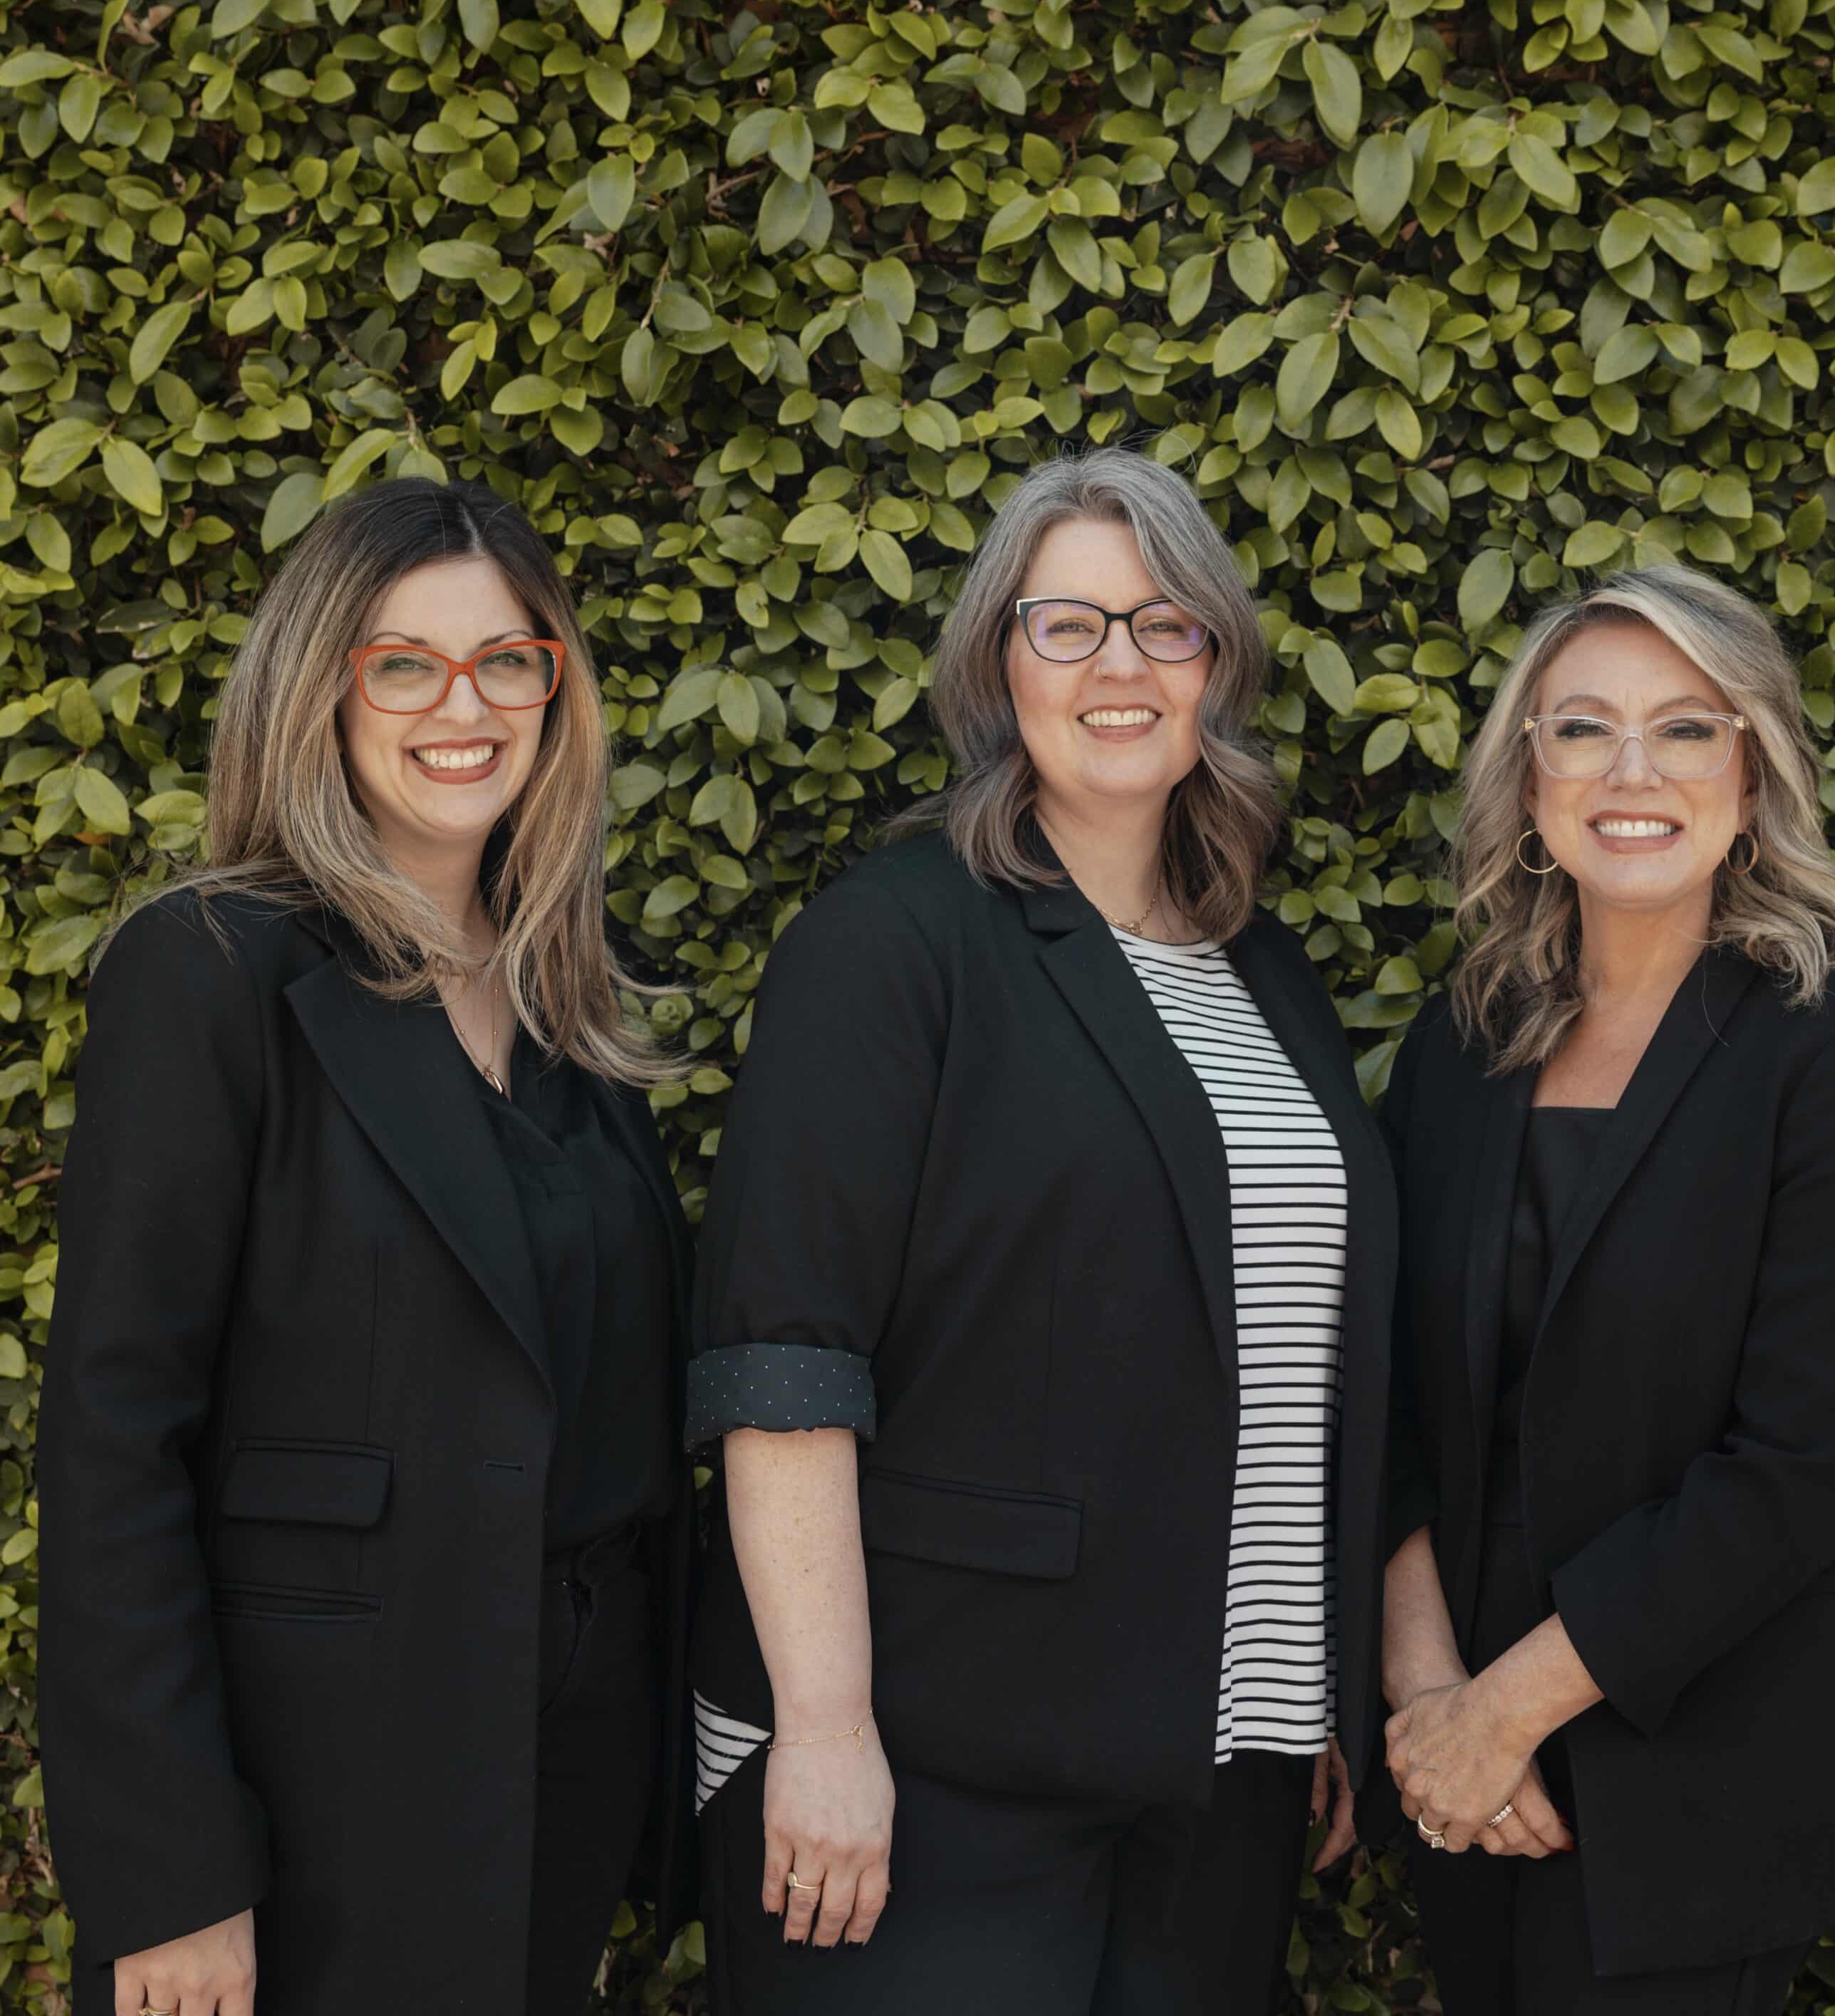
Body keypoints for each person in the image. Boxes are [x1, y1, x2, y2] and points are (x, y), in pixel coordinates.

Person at [686, 447, 1425, 2016]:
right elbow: (785, 1362)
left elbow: (1314, 1351)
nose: (1120, 667)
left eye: (1166, 626)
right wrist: (825, 1728)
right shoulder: (893, 943)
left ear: (1216, 663)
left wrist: (1313, 1677)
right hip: (937, 1762)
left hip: (1224, 1767)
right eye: (1068, 626)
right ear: (995, 664)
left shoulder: (1264, 970)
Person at [38, 477, 696, 2016]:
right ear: (318, 690)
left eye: (507, 660)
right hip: (317, 1788)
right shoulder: (210, 972)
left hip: (554, 1772)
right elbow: (115, 1443)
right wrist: (173, 1875)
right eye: (404, 664)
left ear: (555, 688)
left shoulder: (570, 1004)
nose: (464, 707)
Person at [1376, 563, 1835, 2014]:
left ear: (1753, 778)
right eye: (1585, 728)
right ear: (1533, 781)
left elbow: (1794, 1471)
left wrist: (1504, 1714)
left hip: (1698, 1793)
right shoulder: (1456, 1055)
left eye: (1687, 728)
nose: (1633, 772)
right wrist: (1431, 1703)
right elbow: (1379, 1402)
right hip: (1460, 1783)